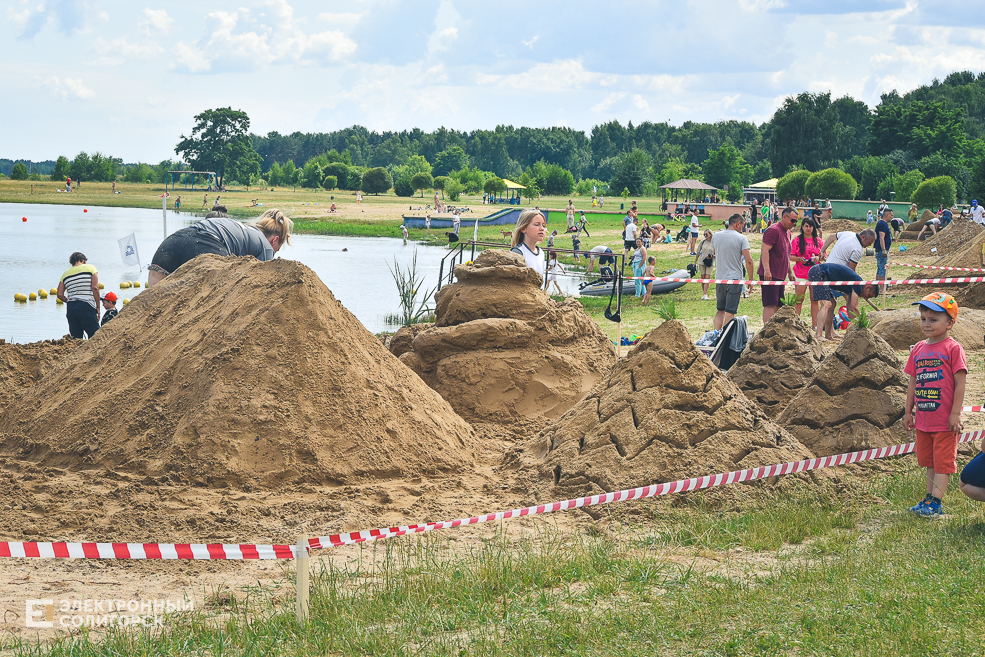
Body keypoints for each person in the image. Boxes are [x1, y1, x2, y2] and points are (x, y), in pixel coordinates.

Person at [904, 292, 967, 517]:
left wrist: (955, 414)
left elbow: (960, 383)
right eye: (923, 319)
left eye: (933, 319)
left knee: (943, 463)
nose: (926, 324)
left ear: (949, 323)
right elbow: (913, 381)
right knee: (930, 462)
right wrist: (908, 412)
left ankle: (936, 503)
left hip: (944, 421)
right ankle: (929, 499)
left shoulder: (953, 348)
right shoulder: (918, 349)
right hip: (923, 420)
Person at [147, 208, 293, 287]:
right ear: (275, 240)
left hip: (172, 242)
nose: (274, 253)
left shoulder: (242, 229)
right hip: (206, 245)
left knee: (152, 304)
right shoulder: (267, 247)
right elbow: (261, 284)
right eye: (277, 249)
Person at [807, 262, 880, 342]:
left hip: (823, 275)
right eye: (868, 295)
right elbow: (854, 308)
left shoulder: (856, 285)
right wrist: (861, 324)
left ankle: (828, 335)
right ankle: (818, 335)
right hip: (819, 272)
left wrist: (855, 327)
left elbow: (850, 310)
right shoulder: (858, 284)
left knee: (832, 304)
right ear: (868, 287)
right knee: (826, 304)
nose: (866, 298)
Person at [712, 214, 754, 331]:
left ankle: (716, 334)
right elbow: (749, 260)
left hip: (720, 278)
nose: (742, 229)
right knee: (730, 312)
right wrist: (750, 280)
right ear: (737, 224)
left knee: (720, 310)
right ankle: (726, 337)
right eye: (742, 226)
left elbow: (715, 251)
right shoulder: (741, 238)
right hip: (735, 279)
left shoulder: (716, 235)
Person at [758, 206, 798, 325]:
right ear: (784, 216)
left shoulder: (788, 233)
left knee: (778, 304)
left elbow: (786, 255)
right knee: (770, 303)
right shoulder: (773, 230)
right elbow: (765, 250)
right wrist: (767, 270)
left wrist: (790, 272)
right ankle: (768, 330)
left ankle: (775, 329)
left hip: (780, 275)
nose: (794, 223)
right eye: (793, 220)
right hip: (770, 274)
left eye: (796, 221)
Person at [57, 252, 100, 339]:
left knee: (76, 338)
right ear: (84, 260)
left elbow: (60, 294)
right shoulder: (91, 268)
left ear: (72, 263)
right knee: (95, 336)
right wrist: (98, 306)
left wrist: (69, 301)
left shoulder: (65, 274)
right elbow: (95, 288)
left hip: (71, 308)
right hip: (86, 305)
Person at [790, 218, 823, 328]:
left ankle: (815, 326)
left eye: (811, 226)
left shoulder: (819, 241)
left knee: (815, 300)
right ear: (802, 227)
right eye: (806, 226)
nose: (808, 228)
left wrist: (818, 258)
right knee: (799, 300)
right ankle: (796, 325)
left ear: (814, 228)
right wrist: (799, 259)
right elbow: (790, 256)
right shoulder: (796, 240)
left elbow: (824, 256)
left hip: (815, 274)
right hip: (801, 274)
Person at [509, 209, 547, 279]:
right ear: (523, 229)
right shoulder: (518, 253)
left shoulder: (541, 253)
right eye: (537, 225)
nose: (542, 229)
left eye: (543, 226)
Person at [874, 209, 893, 294]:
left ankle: (878, 288)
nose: (892, 217)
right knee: (882, 269)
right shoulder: (882, 224)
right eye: (891, 215)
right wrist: (884, 250)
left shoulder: (882, 224)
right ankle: (882, 289)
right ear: (887, 215)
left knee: (880, 268)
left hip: (881, 250)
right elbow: (881, 238)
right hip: (882, 251)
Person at [694, 229, 715, 300]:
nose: (705, 236)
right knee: (703, 278)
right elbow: (698, 252)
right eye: (704, 234)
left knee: (707, 277)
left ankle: (705, 293)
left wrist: (712, 256)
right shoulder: (703, 242)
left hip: (710, 262)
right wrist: (695, 262)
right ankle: (704, 293)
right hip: (702, 261)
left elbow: (717, 253)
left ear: (710, 234)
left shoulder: (714, 243)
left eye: (706, 234)